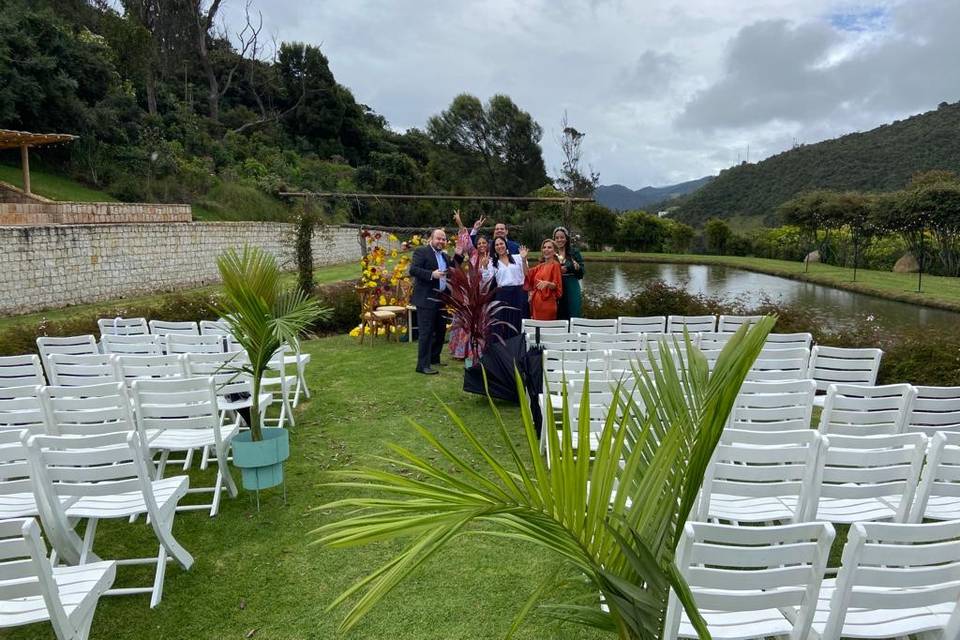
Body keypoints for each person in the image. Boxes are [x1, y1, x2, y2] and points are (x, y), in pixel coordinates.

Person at [409, 228, 458, 375]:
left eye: (443, 239)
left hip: (441, 299)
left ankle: (434, 358)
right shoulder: (422, 252)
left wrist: (459, 254)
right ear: (431, 239)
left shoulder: (443, 256)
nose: (441, 241)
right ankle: (422, 365)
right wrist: (432, 274)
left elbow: (453, 267)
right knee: (426, 333)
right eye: (439, 238)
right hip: (426, 300)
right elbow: (413, 270)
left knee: (441, 330)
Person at [448, 210, 493, 360]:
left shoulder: (492, 259)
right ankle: (462, 351)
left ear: (488, 245)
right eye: (479, 243)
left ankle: (478, 351)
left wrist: (486, 266)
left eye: (483, 243)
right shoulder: (473, 254)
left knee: (480, 322)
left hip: (482, 295)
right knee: (465, 320)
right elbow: (466, 240)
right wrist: (460, 222)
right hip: (469, 293)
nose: (481, 245)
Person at [488, 236, 528, 341]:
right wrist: (483, 267)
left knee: (518, 321)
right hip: (502, 295)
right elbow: (487, 280)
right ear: (494, 248)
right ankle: (504, 352)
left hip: (518, 293)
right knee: (503, 323)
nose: (499, 246)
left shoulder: (517, 258)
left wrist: (524, 260)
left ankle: (518, 349)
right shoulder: (492, 263)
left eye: (501, 243)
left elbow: (527, 274)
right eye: (496, 245)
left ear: (506, 245)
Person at [525, 239, 563, 321]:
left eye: (549, 247)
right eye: (544, 247)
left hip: (548, 305)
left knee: (546, 331)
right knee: (536, 330)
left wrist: (547, 283)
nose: (546, 250)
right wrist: (523, 259)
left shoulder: (555, 265)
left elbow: (557, 286)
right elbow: (526, 274)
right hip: (536, 304)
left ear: (554, 251)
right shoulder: (540, 266)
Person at [553, 226, 584, 320]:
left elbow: (581, 273)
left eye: (562, 237)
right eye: (557, 238)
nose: (559, 240)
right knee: (558, 313)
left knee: (573, 312)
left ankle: (573, 333)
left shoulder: (574, 252)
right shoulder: (551, 252)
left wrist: (573, 268)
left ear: (566, 238)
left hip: (571, 286)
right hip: (555, 286)